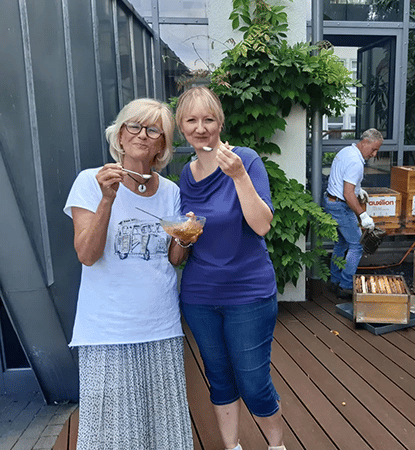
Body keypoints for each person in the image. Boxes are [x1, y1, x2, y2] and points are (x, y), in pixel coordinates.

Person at [63, 98, 194, 450]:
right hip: (107, 328)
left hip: (159, 325)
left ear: (162, 145)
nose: (141, 135)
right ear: (119, 135)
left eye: (153, 130)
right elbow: (86, 255)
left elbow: (172, 260)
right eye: (133, 126)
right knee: (111, 434)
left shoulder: (171, 192)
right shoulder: (91, 182)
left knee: (163, 430)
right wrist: (107, 199)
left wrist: (186, 238)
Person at [173, 86, 286, 450]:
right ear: (182, 127)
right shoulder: (184, 177)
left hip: (248, 291)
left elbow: (262, 225)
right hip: (200, 294)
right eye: (192, 120)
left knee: (253, 380)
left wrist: (238, 177)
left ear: (220, 122)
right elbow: (185, 248)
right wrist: (185, 234)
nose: (201, 127)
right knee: (219, 377)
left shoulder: (245, 160)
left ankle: (276, 445)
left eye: (208, 119)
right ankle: (232, 447)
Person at [323, 128, 383, 299]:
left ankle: (335, 281)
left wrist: (358, 189)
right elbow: (348, 194)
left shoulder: (346, 151)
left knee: (341, 244)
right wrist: (363, 215)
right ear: (365, 142)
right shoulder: (356, 162)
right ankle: (346, 286)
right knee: (357, 245)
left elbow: (343, 181)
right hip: (340, 206)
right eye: (373, 149)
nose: (374, 154)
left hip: (331, 201)